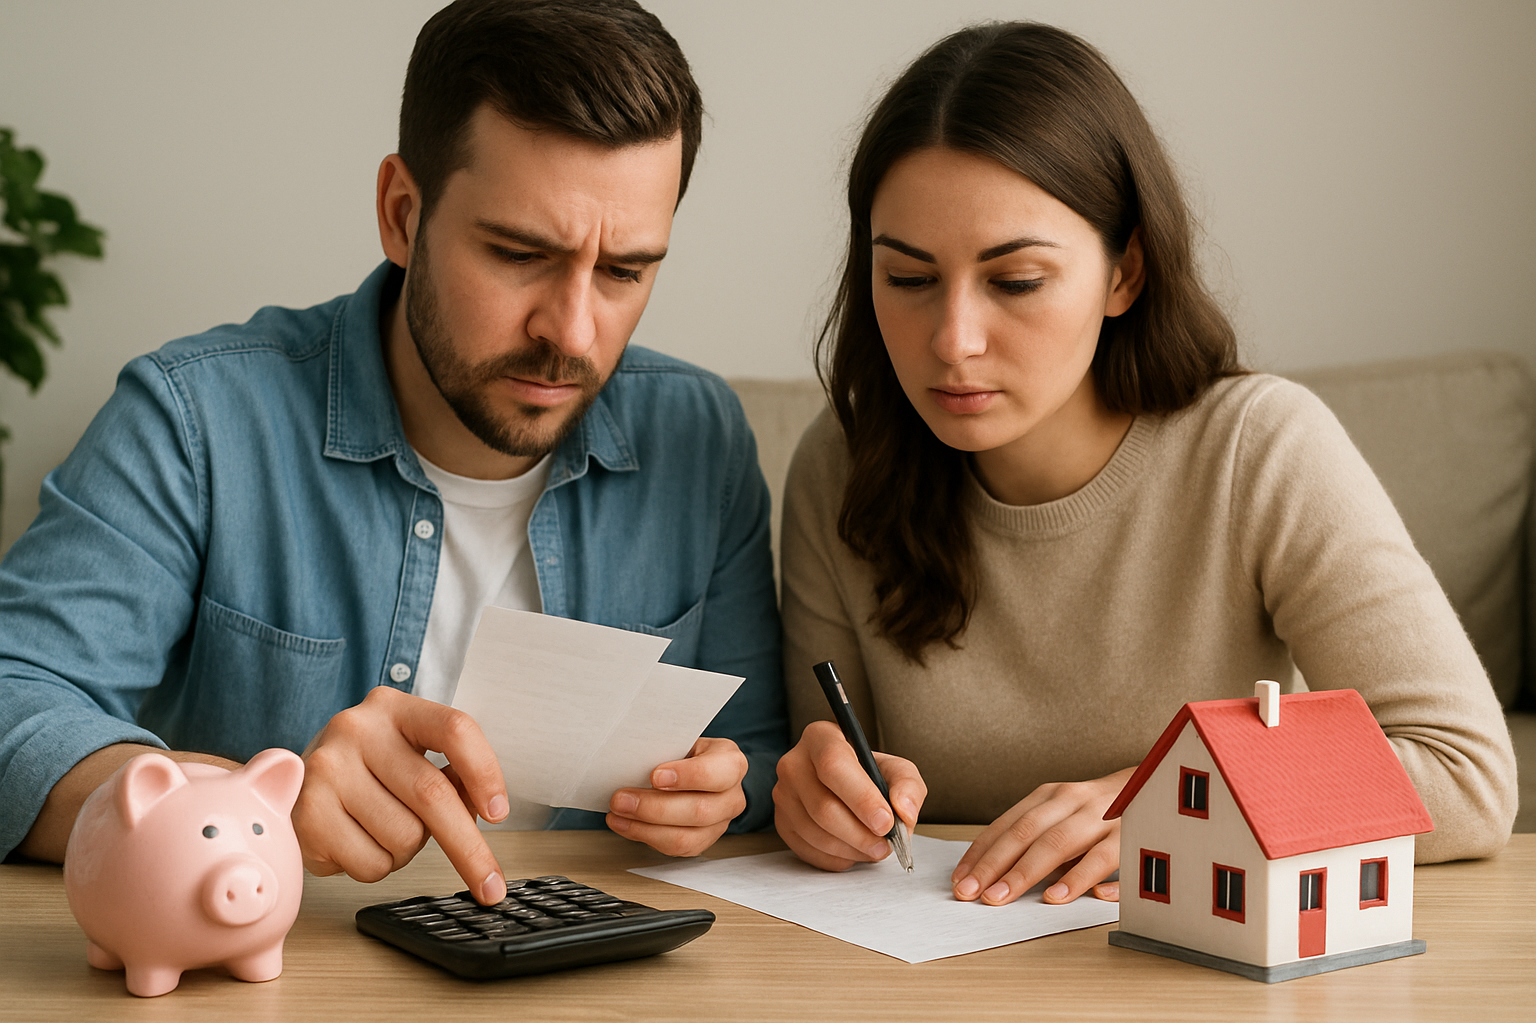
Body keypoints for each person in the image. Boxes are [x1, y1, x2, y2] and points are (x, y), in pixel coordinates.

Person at [0, 0, 788, 906]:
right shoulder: (194, 419)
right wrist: (242, 813)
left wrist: (725, 792)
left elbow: (758, 750)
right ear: (402, 214)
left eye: (625, 272)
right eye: (520, 254)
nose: (572, 333)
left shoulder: (702, 437)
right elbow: (15, 700)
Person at [773, 22, 1516, 907]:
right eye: (907, 279)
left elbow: (1466, 776)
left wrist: (1182, 808)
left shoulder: (1260, 449)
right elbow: (828, 773)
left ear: (1124, 272)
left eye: (1014, 282)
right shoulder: (841, 462)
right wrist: (819, 801)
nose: (952, 341)